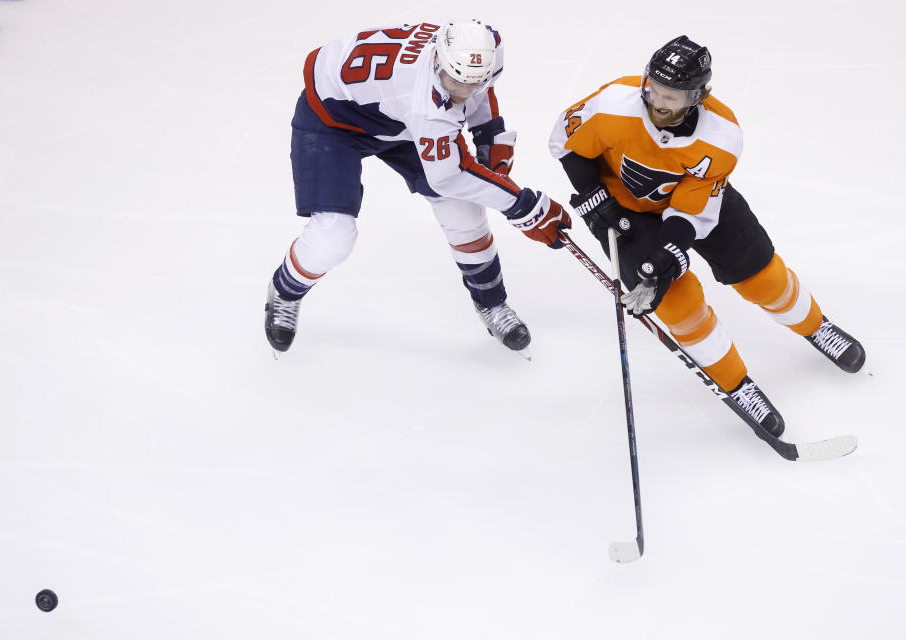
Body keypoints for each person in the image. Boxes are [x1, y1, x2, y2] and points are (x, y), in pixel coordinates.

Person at [548, 35, 865, 436]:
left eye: (673, 96)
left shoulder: (722, 135)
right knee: (678, 306)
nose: (659, 102)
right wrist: (595, 198)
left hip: (697, 206)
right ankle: (737, 384)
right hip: (623, 211)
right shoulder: (613, 102)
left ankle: (816, 326)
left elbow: (691, 211)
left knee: (762, 276)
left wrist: (669, 252)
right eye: (654, 89)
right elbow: (565, 142)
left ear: (698, 95)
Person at [266, 19, 571, 356]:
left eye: (472, 83)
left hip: (395, 115)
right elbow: (450, 176)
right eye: (454, 83)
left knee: (462, 209)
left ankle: (491, 304)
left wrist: (488, 134)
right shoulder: (424, 102)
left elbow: (479, 90)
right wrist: (524, 206)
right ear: (437, 61)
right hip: (332, 120)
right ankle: (285, 291)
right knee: (333, 235)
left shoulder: (484, 46)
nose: (463, 93)